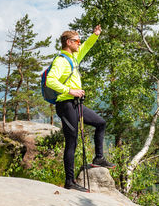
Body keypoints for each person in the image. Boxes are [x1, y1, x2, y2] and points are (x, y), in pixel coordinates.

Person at [46, 25, 115, 192]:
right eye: (77, 41)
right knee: (72, 142)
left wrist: (95, 35)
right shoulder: (61, 61)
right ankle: (69, 181)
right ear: (69, 42)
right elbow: (50, 80)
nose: (79, 43)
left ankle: (98, 158)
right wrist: (70, 90)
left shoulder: (74, 58)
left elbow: (87, 46)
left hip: (76, 105)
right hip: (66, 105)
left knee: (101, 123)